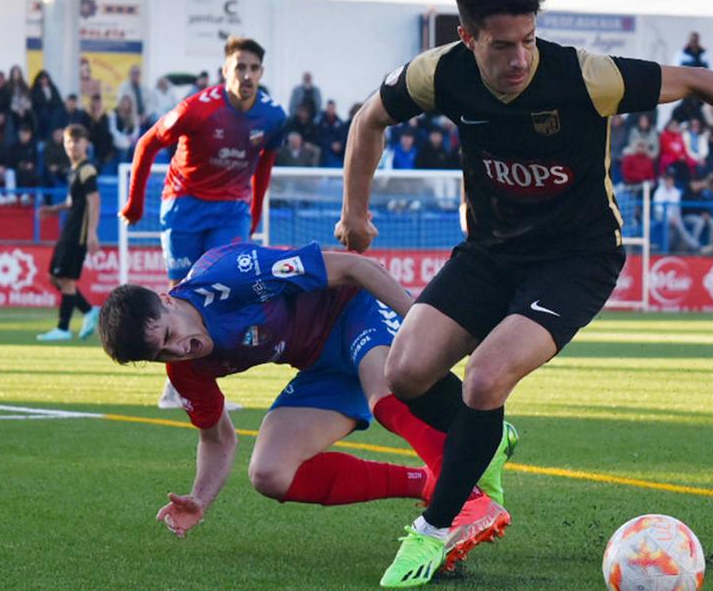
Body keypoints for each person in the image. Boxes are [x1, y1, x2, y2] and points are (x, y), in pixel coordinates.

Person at [334, 0, 713, 586]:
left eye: (528, 39)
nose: (520, 57)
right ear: (468, 39)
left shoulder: (581, 74)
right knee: (406, 372)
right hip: (489, 253)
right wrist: (354, 214)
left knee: (487, 377)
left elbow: (698, 80)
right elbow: (368, 119)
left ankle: (434, 531)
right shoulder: (438, 73)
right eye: (502, 45)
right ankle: (487, 439)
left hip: (577, 258)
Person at [95, 241, 516, 572]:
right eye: (163, 355)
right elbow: (217, 436)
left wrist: (419, 326)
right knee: (270, 474)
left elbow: (354, 267)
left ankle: (465, 498)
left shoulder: (231, 277)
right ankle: (432, 479)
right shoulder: (185, 371)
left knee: (384, 393)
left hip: (356, 309)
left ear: (166, 299)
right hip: (320, 363)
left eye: (170, 335)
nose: (180, 351)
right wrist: (200, 499)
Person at [121, 36, 286, 412]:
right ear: (225, 70)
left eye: (253, 68)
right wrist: (133, 202)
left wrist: (255, 212)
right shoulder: (196, 109)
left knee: (225, 291)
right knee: (181, 295)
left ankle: (207, 389)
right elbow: (147, 143)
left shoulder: (274, 116)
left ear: (261, 72)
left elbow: (264, 167)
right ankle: (174, 385)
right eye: (239, 67)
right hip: (184, 205)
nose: (246, 75)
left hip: (231, 208)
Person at [36, 125, 101, 342]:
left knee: (67, 280)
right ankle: (89, 311)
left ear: (86, 143)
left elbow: (94, 201)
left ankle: (63, 328)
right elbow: (74, 202)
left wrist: (92, 233)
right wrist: (52, 210)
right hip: (69, 231)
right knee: (55, 277)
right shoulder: (74, 170)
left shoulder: (87, 170)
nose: (72, 145)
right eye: (68, 142)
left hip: (78, 234)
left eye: (76, 141)